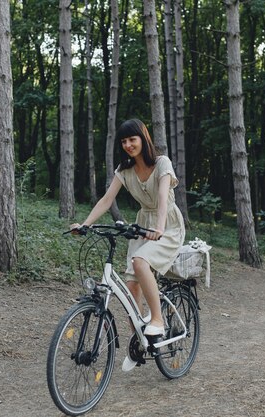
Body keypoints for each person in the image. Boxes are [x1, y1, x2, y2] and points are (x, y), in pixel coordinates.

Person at [70, 119, 185, 370]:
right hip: (143, 224)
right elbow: (107, 199)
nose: (128, 145)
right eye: (123, 141)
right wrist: (86, 223)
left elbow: (164, 199)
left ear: (143, 137)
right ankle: (141, 338)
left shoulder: (162, 163)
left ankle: (158, 320)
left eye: (132, 139)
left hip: (168, 225)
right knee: (131, 285)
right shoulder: (124, 170)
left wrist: (161, 228)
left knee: (140, 262)